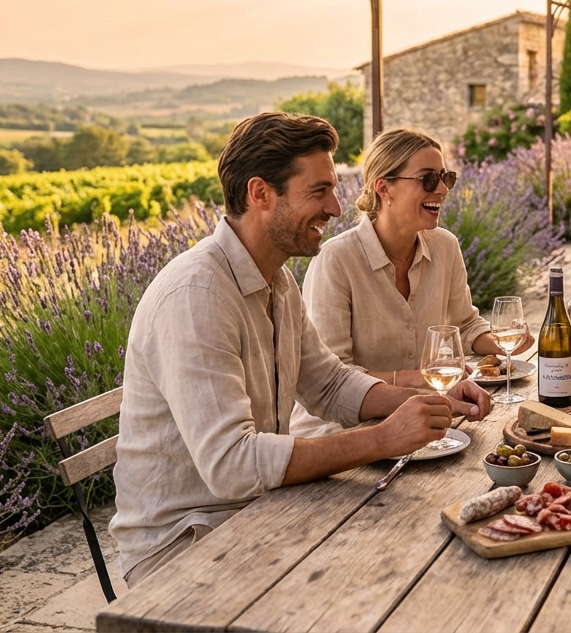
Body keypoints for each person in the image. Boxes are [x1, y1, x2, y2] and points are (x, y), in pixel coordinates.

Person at [109, 112, 492, 588]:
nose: (336, 208)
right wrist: (381, 439)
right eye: (318, 192)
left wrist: (432, 400)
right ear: (261, 194)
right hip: (188, 541)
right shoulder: (197, 295)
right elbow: (232, 465)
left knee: (423, 558)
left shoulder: (277, 280)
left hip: (261, 509)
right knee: (391, 578)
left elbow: (329, 383)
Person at [290, 127, 532, 437]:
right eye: (428, 179)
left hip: (416, 425)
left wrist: (504, 344)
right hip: (337, 433)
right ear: (384, 188)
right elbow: (334, 377)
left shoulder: (445, 247)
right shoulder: (336, 260)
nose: (442, 190)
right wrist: (417, 379)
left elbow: (467, 324)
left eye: (446, 178)